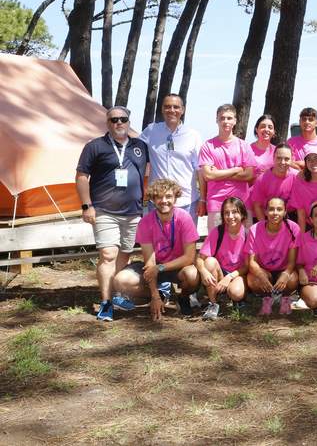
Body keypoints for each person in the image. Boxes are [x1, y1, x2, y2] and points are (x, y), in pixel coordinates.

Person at [76, 106, 149, 322]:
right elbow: (81, 177)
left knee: (124, 253)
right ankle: (106, 302)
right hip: (104, 210)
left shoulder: (140, 146)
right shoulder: (95, 146)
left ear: (129, 122)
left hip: (133, 212)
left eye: (123, 119)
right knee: (108, 255)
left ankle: (118, 295)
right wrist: (87, 206)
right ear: (107, 123)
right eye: (114, 120)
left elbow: (146, 174)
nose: (118, 123)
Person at [113, 179, 200, 320]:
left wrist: (160, 267)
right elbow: (150, 263)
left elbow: (189, 257)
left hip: (177, 266)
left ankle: (183, 297)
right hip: (154, 266)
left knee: (192, 275)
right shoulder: (145, 222)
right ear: (153, 200)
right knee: (120, 281)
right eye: (159, 197)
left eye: (168, 196)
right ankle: (161, 295)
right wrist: (154, 296)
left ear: (175, 198)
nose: (164, 201)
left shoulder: (185, 218)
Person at [139, 93, 204, 222]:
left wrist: (203, 199)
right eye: (167, 107)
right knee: (157, 236)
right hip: (157, 201)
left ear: (182, 110)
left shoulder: (193, 135)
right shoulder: (150, 131)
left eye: (176, 107)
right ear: (162, 109)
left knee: (186, 236)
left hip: (186, 202)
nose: (172, 110)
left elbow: (200, 170)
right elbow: (135, 152)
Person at [199, 104, 256, 228]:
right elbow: (208, 176)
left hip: (242, 202)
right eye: (222, 118)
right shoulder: (208, 146)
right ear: (217, 120)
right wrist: (236, 170)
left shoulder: (244, 146)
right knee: (217, 239)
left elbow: (249, 175)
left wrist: (218, 173)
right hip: (216, 203)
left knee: (245, 238)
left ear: (235, 121)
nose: (226, 121)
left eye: (229, 118)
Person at [197, 197, 252, 320]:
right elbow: (200, 259)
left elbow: (247, 266)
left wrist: (230, 277)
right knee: (209, 262)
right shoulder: (217, 232)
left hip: (237, 274)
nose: (230, 216)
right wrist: (203, 271)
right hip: (220, 273)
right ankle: (213, 303)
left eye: (235, 212)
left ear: (243, 214)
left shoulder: (248, 234)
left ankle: (235, 298)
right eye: (226, 213)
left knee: (236, 293)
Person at [246, 197, 300, 316]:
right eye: (271, 209)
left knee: (293, 279)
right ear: (265, 211)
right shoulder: (254, 229)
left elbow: (292, 261)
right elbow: (252, 262)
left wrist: (286, 274)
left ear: (285, 212)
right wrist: (260, 274)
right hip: (264, 270)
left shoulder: (293, 228)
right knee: (253, 280)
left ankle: (285, 298)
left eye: (279, 209)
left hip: (283, 269)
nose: (275, 213)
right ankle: (266, 298)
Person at [251, 143, 299, 222]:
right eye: (279, 158)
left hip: (291, 216)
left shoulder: (297, 177)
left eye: (286, 159)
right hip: (269, 216)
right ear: (273, 158)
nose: (282, 162)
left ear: (292, 159)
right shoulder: (262, 179)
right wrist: (264, 226)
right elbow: (257, 206)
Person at [251, 114, 277, 178]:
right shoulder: (248, 149)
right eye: (263, 126)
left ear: (274, 132)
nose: (266, 129)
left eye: (270, 127)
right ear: (256, 129)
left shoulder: (277, 151)